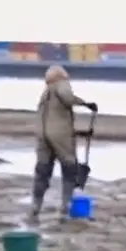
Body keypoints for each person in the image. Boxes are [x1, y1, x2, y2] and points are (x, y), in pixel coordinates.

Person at [30, 65, 98, 224]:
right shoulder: (60, 85)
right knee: (69, 170)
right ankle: (65, 209)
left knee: (42, 172)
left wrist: (78, 133)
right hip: (60, 137)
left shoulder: (45, 93)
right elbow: (67, 97)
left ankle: (35, 208)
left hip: (42, 136)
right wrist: (85, 104)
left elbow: (53, 119)